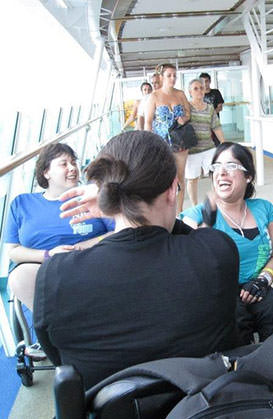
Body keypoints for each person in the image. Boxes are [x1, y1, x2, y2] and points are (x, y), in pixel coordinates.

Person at [34, 131, 240, 389]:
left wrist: (115, 209)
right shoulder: (217, 252)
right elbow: (193, 237)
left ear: (106, 195)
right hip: (204, 404)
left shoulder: (57, 276)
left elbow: (59, 358)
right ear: (172, 190)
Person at [180, 142, 273, 344]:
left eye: (231, 166)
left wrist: (263, 281)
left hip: (255, 287)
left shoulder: (265, 210)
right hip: (218, 293)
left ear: (248, 176)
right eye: (216, 167)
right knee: (233, 318)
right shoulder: (195, 216)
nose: (221, 173)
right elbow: (188, 260)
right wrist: (207, 222)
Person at [4, 143, 113, 311]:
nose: (72, 168)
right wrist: (48, 255)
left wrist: (85, 246)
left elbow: (119, 230)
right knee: (20, 277)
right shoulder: (22, 203)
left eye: (74, 162)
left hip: (91, 264)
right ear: (46, 172)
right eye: (64, 164)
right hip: (44, 272)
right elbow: (13, 251)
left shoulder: (91, 198)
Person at [144, 63, 191, 213]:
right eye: (169, 75)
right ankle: (165, 213)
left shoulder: (180, 94)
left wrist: (184, 118)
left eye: (174, 75)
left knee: (180, 178)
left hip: (180, 141)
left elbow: (188, 114)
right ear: (161, 77)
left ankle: (180, 212)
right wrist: (149, 143)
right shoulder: (154, 96)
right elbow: (148, 121)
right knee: (164, 179)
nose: (173, 78)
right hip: (161, 143)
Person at [185, 78, 226, 206]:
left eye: (201, 88)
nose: (200, 91)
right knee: (192, 179)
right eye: (196, 88)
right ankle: (195, 205)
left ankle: (217, 202)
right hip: (192, 151)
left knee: (216, 175)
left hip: (209, 147)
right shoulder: (187, 107)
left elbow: (216, 127)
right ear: (190, 92)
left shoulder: (209, 108)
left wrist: (224, 143)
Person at [200, 72, 225, 146]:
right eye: (202, 81)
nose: (205, 83)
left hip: (215, 122)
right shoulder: (199, 94)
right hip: (203, 123)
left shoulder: (216, 92)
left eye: (206, 81)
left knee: (217, 142)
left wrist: (210, 114)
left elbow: (220, 107)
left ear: (210, 81)